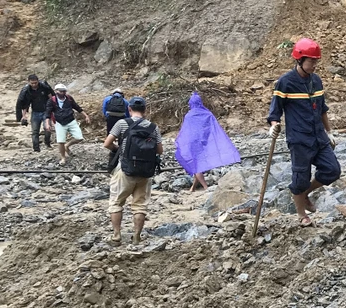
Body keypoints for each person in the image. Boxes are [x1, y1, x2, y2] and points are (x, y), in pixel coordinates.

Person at [267, 38, 341, 227]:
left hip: (319, 137)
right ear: (300, 59)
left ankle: (305, 194)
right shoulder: (285, 83)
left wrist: (329, 131)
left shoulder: (316, 81)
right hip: (299, 139)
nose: (314, 65)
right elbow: (275, 111)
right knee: (300, 178)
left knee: (332, 170)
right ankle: (302, 215)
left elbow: (323, 108)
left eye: (316, 61)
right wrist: (274, 125)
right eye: (311, 61)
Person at [103, 96, 163, 245]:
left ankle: (116, 236)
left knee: (116, 202)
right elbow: (160, 150)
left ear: (129, 109)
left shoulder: (122, 123)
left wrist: (118, 150)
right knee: (140, 205)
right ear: (145, 110)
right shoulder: (153, 127)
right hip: (145, 171)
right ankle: (137, 236)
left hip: (125, 168)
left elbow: (107, 143)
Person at [175, 92, 241, 191]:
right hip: (204, 141)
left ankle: (205, 187)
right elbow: (213, 128)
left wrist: (180, 141)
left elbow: (186, 131)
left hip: (193, 143)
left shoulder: (189, 116)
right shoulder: (207, 114)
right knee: (198, 164)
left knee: (196, 164)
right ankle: (193, 187)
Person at [45, 84, 90, 166]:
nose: (62, 93)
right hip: (59, 122)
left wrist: (86, 116)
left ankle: (67, 145)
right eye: (60, 91)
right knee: (60, 141)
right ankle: (63, 157)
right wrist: (47, 124)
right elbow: (48, 113)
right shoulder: (52, 100)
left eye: (64, 91)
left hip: (71, 121)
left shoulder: (69, 98)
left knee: (79, 137)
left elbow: (77, 107)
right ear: (56, 91)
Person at [14, 74, 55, 152]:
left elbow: (51, 97)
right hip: (35, 112)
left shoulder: (44, 87)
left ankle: (47, 143)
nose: (34, 85)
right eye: (32, 83)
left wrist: (54, 109)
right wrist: (23, 116)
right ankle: (36, 149)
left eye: (35, 83)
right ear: (29, 82)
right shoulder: (27, 91)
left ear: (38, 81)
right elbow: (25, 104)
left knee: (48, 128)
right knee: (35, 131)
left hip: (46, 111)